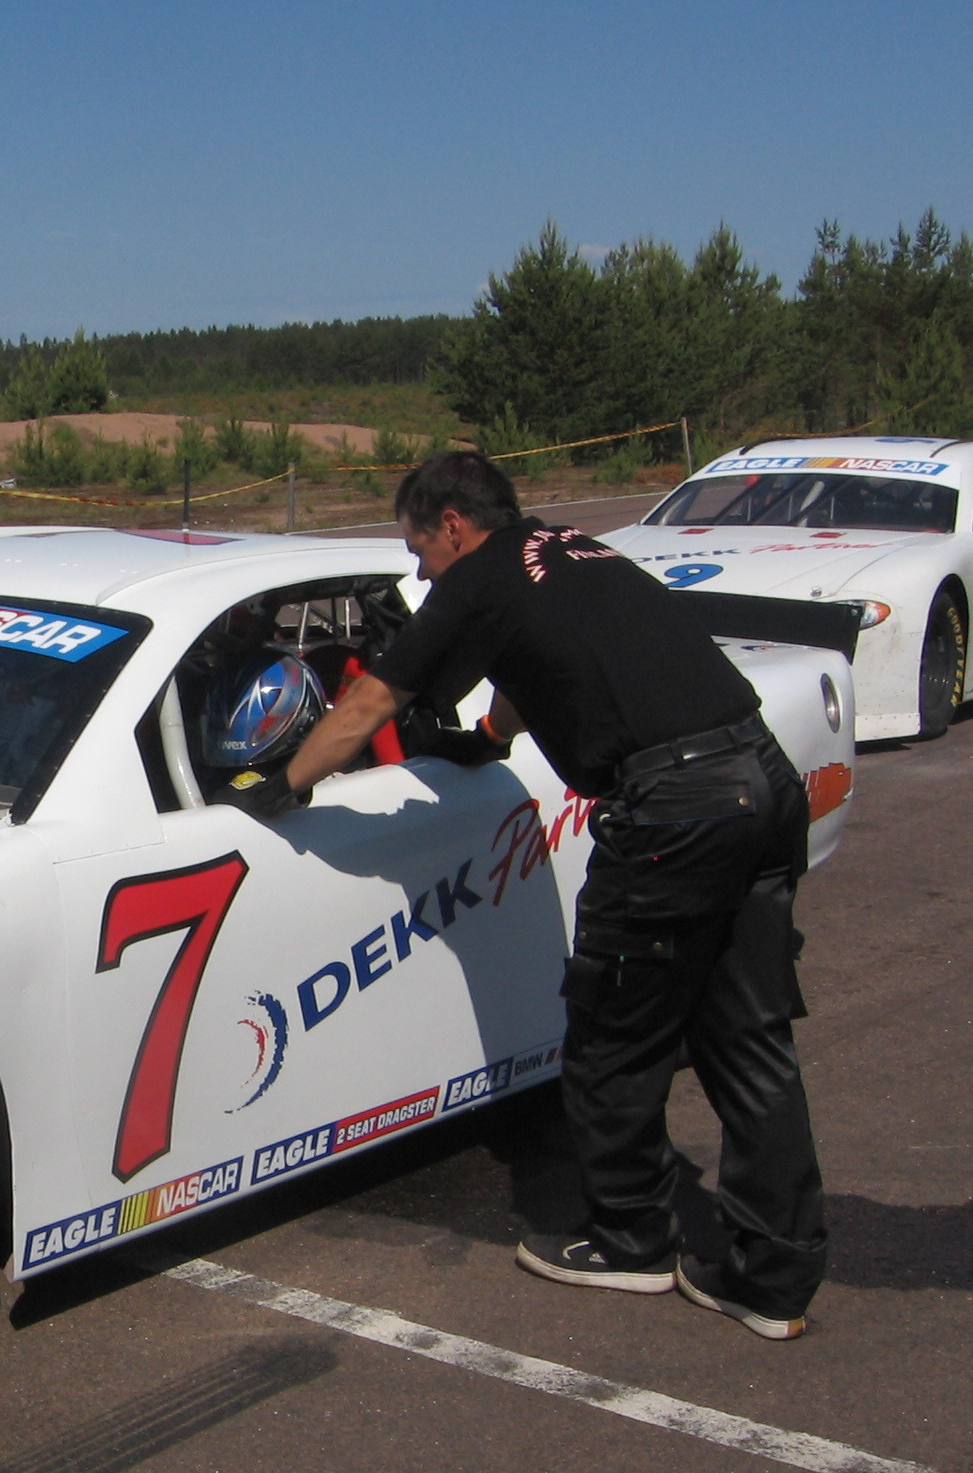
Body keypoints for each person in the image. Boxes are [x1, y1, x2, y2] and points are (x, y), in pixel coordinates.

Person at [226, 451, 826, 1339]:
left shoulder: (474, 583)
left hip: (674, 811)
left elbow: (369, 704)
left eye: (418, 549)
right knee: (747, 1039)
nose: (419, 571)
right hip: (762, 779)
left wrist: (284, 781)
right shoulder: (572, 549)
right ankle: (772, 1278)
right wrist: (493, 738)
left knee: (613, 1036)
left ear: (453, 526)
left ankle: (630, 1241)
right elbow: (540, 657)